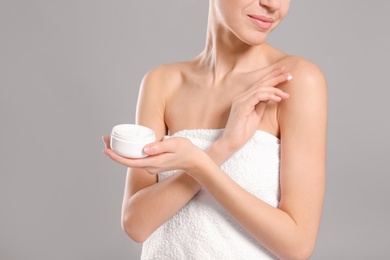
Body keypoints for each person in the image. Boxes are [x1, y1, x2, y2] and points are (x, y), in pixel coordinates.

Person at [103, 0, 327, 259]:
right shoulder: (162, 83)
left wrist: (199, 164)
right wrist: (222, 148)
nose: (272, 4)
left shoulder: (294, 82)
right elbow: (136, 225)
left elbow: (297, 246)